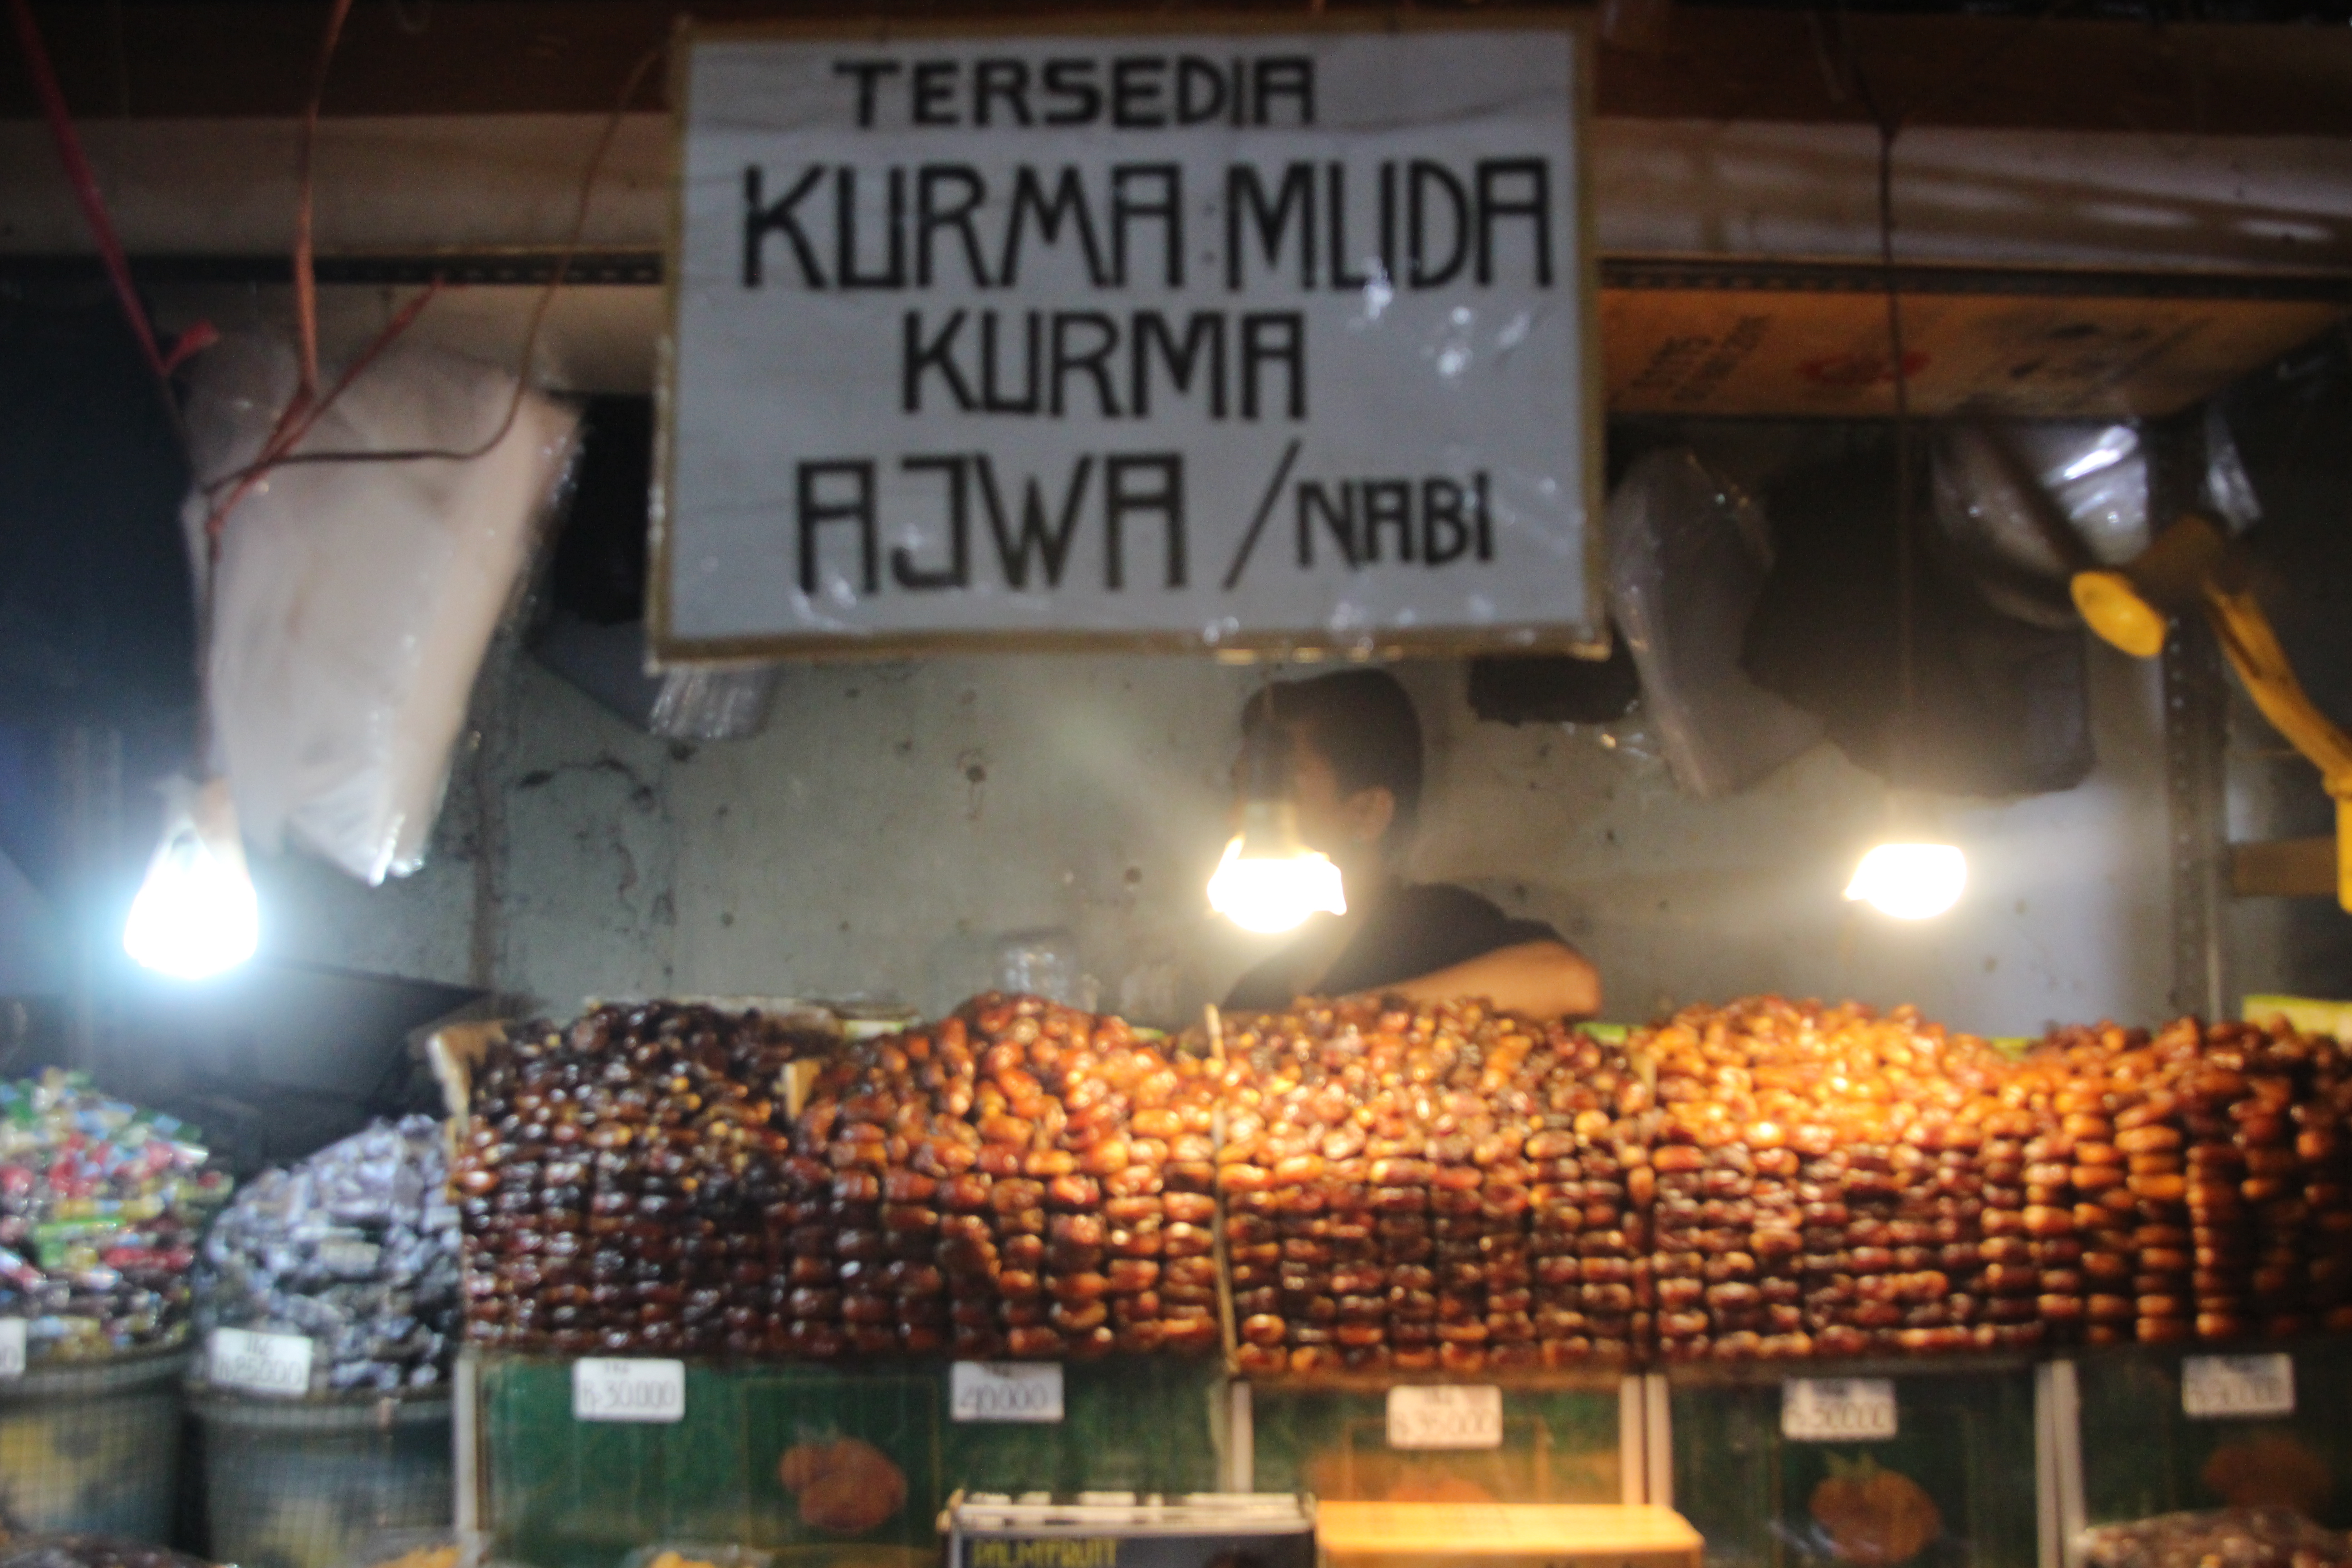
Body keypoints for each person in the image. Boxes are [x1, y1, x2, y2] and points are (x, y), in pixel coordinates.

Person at [1220, 670, 1602, 1019]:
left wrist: (1324, 1022)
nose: (1241, 817)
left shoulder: (1434, 929)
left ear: (1368, 812)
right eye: (1244, 790)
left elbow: (1568, 981)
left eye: (1279, 792)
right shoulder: (1258, 992)